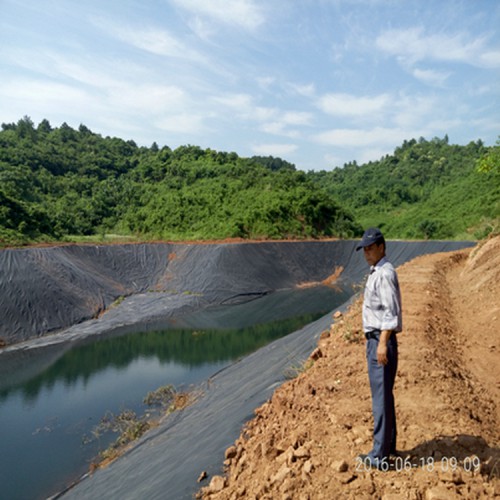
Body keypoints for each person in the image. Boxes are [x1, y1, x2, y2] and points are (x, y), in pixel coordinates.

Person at [356, 227, 402, 470]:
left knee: (380, 400)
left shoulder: (384, 274)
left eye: (370, 248)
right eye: (364, 249)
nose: (367, 252)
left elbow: (390, 313)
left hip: (380, 343)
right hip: (376, 340)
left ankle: (379, 457)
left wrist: (382, 343)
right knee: (385, 397)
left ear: (382, 247)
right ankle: (388, 446)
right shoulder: (377, 271)